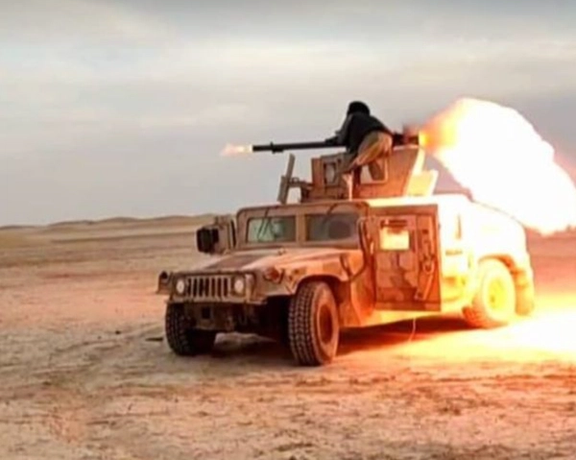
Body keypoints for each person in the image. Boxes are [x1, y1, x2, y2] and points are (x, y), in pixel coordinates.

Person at [326, 101, 394, 183]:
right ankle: (382, 186)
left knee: (347, 167)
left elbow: (341, 139)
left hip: (372, 138)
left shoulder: (352, 117)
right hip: (388, 139)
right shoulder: (370, 120)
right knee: (373, 162)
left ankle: (348, 188)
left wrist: (334, 140)